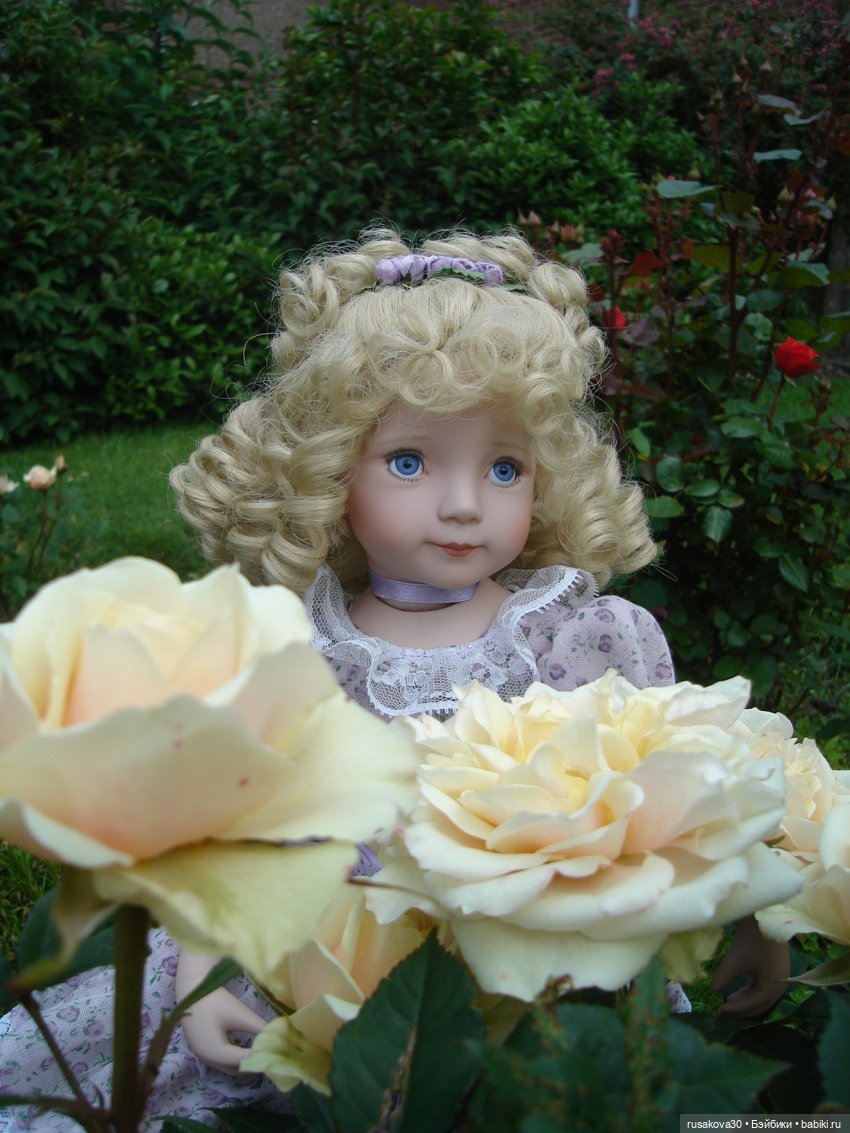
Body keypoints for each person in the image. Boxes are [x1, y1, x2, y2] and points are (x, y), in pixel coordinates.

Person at [0, 227, 766, 1129]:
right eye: (409, 461)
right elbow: (230, 839)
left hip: (542, 973)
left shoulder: (585, 641)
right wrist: (199, 973)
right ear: (328, 472)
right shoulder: (293, 655)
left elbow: (696, 794)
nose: (463, 504)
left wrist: (758, 917)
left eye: (506, 467)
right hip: (316, 974)